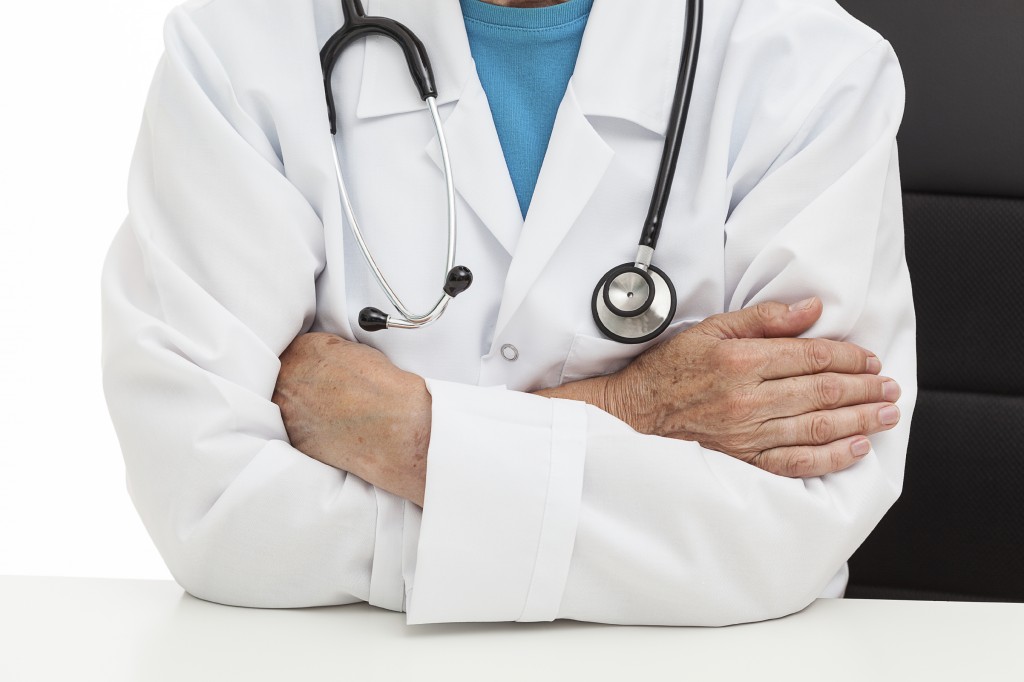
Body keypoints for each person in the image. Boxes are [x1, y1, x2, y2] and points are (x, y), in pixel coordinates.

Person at [102, 0, 914, 625]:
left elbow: (790, 530)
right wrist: (634, 420)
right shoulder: (242, 46)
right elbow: (213, 507)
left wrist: (411, 435)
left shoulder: (813, 68)